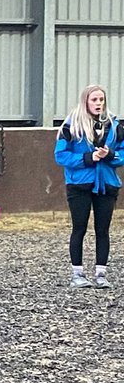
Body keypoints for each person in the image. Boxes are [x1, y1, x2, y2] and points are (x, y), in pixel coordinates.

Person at [54, 84, 124, 288]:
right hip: (79, 184)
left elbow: (122, 153)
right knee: (79, 228)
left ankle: (101, 274)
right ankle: (77, 274)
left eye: (101, 100)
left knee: (103, 230)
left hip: (107, 184)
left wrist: (110, 155)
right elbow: (60, 155)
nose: (98, 104)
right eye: (94, 100)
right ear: (86, 100)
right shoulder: (71, 125)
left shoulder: (115, 126)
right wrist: (88, 158)